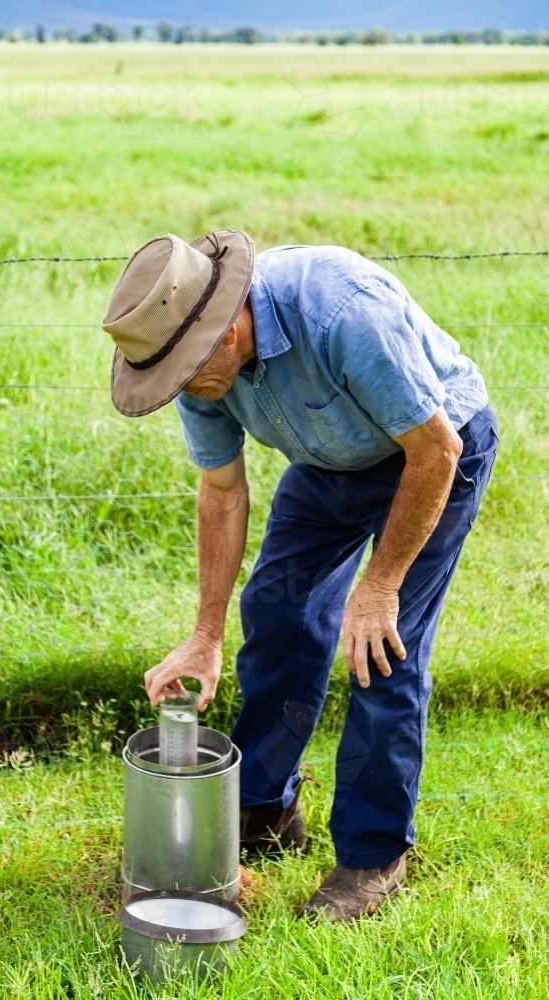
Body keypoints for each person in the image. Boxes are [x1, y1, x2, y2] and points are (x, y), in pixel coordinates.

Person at [102, 229, 497, 921]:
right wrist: (204, 635)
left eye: (187, 374)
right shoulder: (198, 372)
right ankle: (263, 806)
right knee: (277, 618)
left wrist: (377, 589)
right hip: (327, 465)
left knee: (383, 649)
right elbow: (222, 494)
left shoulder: (341, 312)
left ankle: (372, 859)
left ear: (225, 331)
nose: (187, 393)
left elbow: (434, 450)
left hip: (430, 456)